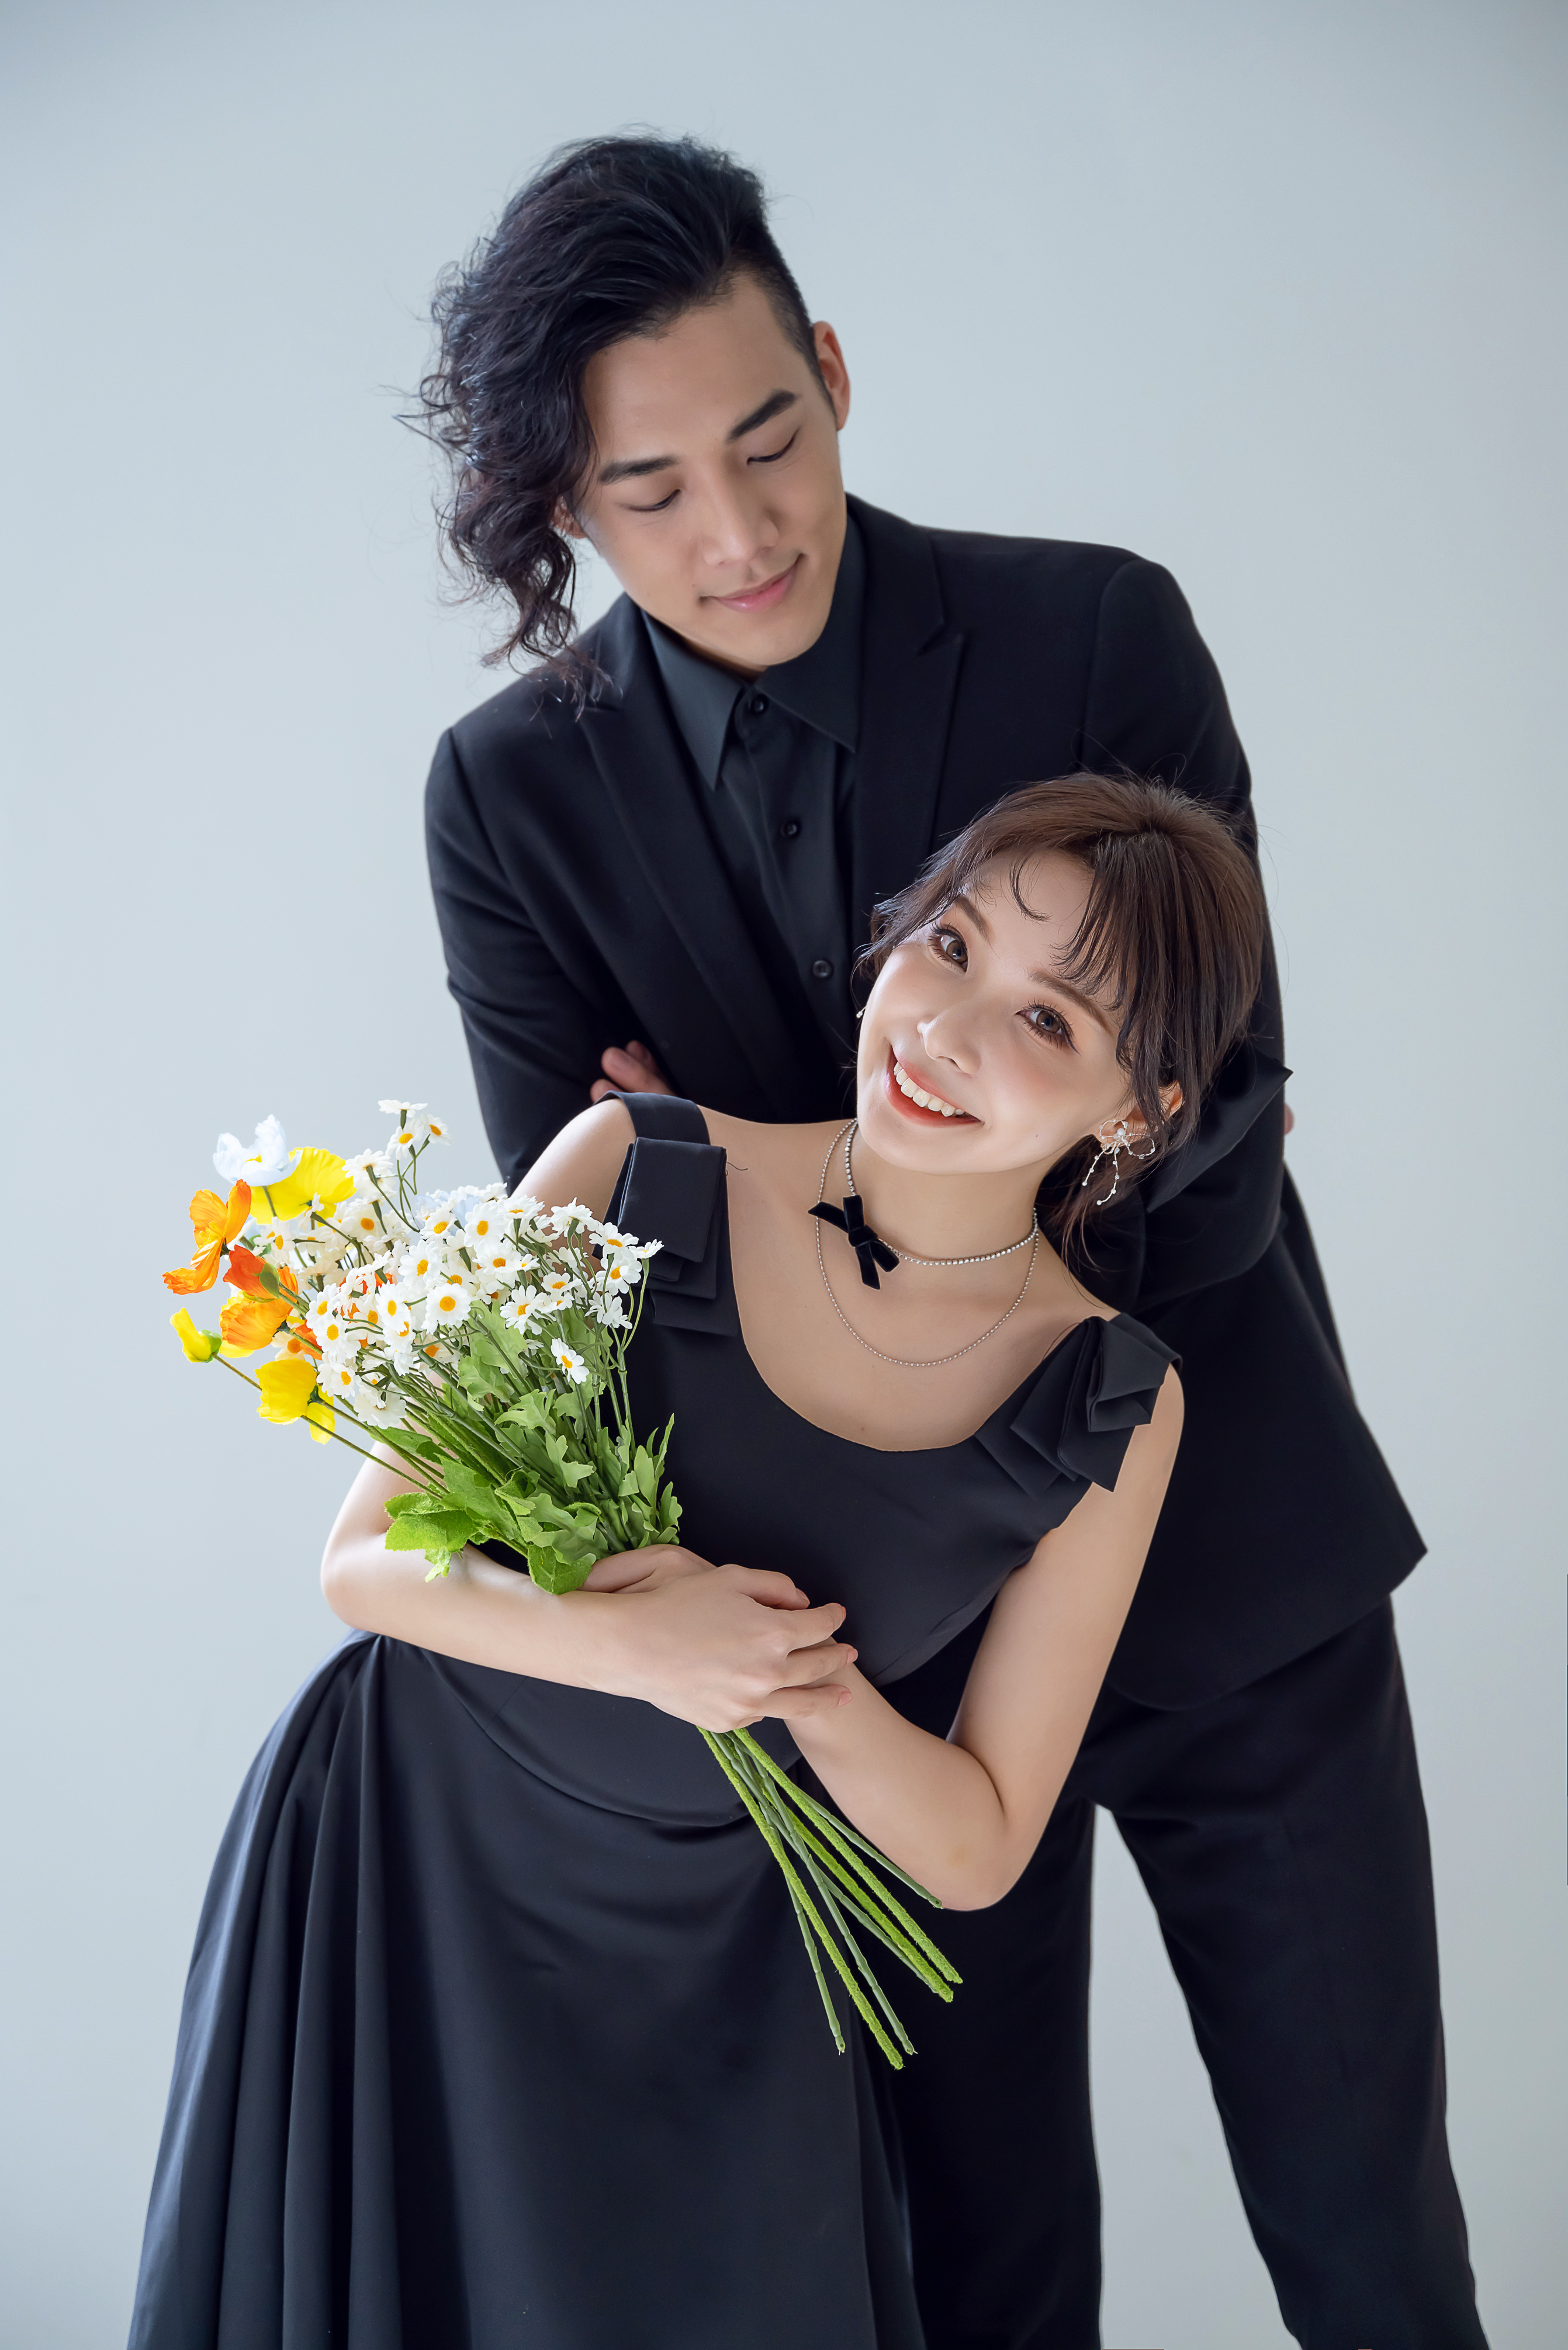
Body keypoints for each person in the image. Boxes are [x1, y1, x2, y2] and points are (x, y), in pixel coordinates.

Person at [418, 136, 1487, 2350]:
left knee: (1366, 2242)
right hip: (865, 1665)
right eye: (646, 491)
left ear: (830, 370)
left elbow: (1219, 1133)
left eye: (767, 440)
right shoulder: (506, 796)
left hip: (1226, 1574)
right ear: (564, 507)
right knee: (975, 2284)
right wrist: (932, 1162)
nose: (735, 534)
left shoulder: (1093, 633)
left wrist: (798, 1186)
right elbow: (607, 1269)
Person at [130, 778, 1266, 2348]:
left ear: (1136, 1113)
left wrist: (801, 1689)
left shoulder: (1108, 1401)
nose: (943, 1031)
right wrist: (639, 1644)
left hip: (719, 1969)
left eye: (1047, 1022)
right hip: (407, 1863)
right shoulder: (630, 1163)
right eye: (947, 945)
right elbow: (367, 1561)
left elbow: (981, 1842)